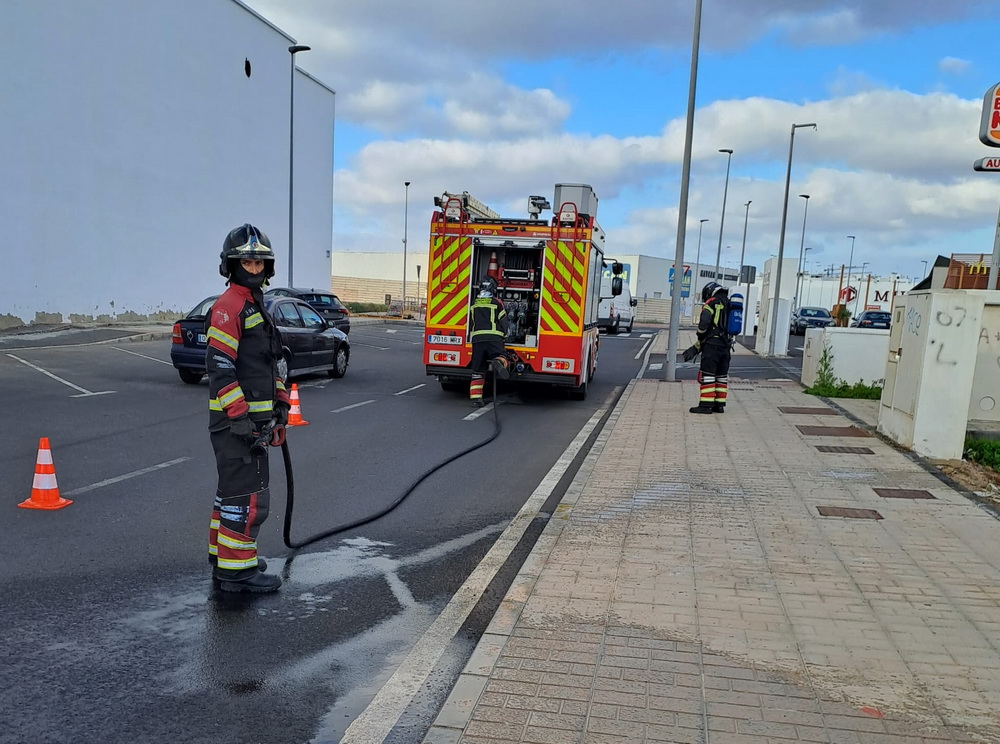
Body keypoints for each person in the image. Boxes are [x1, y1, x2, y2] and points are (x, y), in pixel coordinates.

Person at [206, 224, 289, 593]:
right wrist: (239, 418)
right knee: (248, 497)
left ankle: (223, 555)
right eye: (247, 262)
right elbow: (220, 367)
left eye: (259, 263)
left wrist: (282, 407)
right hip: (237, 425)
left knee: (231, 492)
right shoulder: (229, 307)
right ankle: (237, 572)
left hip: (256, 421)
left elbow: (272, 363)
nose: (253, 268)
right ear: (232, 264)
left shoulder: (256, 306)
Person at [690, 281, 732, 415]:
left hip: (712, 346)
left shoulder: (711, 303)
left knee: (708, 374)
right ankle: (719, 405)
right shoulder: (730, 303)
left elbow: (704, 322)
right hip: (726, 346)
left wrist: (700, 336)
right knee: (721, 376)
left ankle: (705, 405)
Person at [468, 276, 509, 407]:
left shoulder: (474, 303)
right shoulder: (497, 302)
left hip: (477, 340)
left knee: (478, 370)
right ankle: (498, 362)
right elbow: (503, 320)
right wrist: (506, 334)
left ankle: (476, 399)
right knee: (502, 356)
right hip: (494, 338)